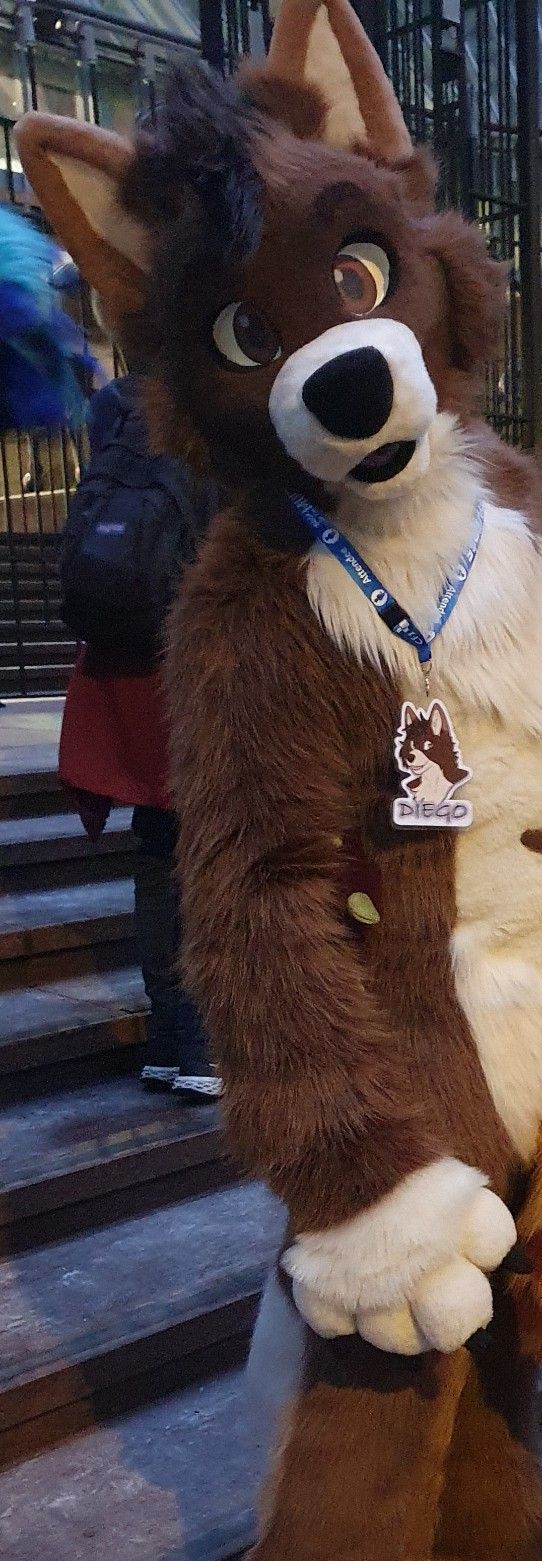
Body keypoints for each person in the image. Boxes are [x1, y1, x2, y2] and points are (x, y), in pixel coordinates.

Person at [58, 365, 220, 1095]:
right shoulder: (221, 403)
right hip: (198, 655)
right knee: (210, 851)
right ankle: (199, 1044)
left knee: (158, 844)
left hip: (123, 655)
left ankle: (166, 1036)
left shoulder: (113, 406)